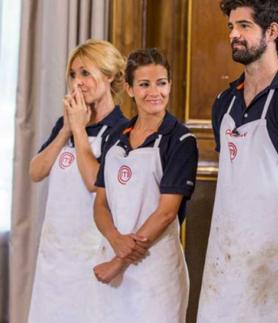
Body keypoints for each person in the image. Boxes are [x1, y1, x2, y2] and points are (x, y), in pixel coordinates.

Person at [197, 0, 278, 322]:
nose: (234, 34)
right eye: (231, 26)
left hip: (275, 265)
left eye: (244, 26)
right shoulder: (223, 103)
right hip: (224, 260)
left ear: (272, 31)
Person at [91, 48, 198, 323]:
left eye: (161, 83)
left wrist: (119, 262)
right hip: (112, 265)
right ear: (128, 89)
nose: (155, 92)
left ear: (170, 85)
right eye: (144, 84)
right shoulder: (115, 135)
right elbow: (100, 203)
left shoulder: (181, 140)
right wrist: (115, 240)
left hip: (156, 275)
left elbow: (166, 213)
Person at [27, 39, 127, 323]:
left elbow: (94, 182)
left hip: (91, 253)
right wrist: (67, 129)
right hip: (55, 254)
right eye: (73, 74)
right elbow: (36, 171)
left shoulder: (121, 129)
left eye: (86, 73)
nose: (77, 82)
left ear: (108, 77)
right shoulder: (66, 124)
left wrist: (80, 130)